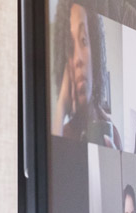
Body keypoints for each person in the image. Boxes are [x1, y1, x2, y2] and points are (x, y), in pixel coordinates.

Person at [52, 0, 122, 150]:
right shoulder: (63, 133)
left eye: (84, 40)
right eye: (70, 48)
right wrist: (61, 107)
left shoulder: (112, 133)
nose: (78, 59)